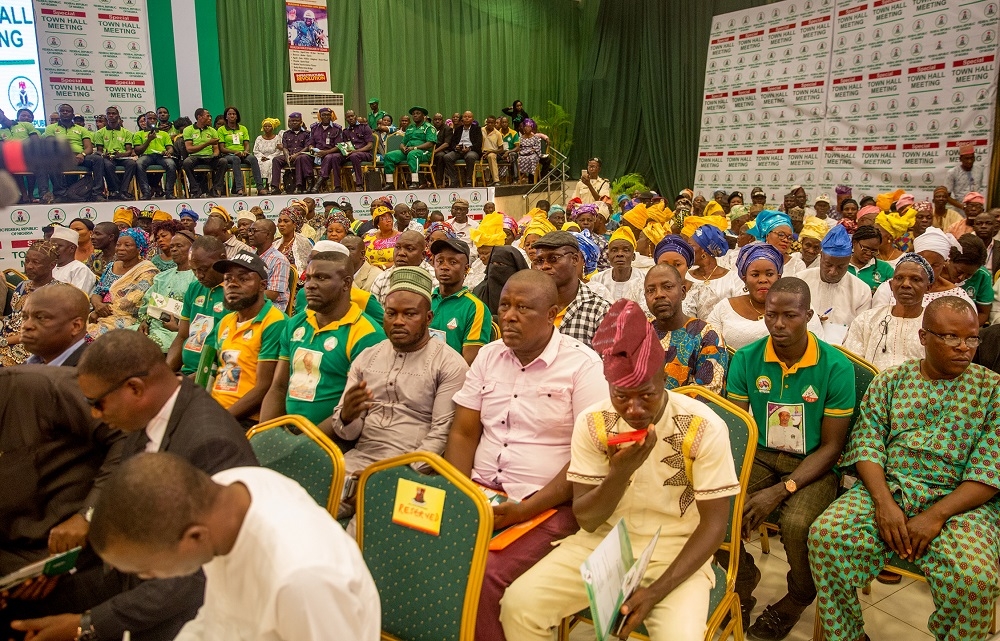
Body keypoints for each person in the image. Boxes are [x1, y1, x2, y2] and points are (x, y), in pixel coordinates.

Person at [501, 299, 739, 641]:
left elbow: (715, 526)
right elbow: (587, 519)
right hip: (603, 545)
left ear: (663, 382)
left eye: (647, 395)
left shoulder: (704, 426)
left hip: (677, 551)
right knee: (519, 606)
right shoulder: (595, 422)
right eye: (621, 396)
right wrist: (619, 473)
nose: (634, 409)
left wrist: (656, 590)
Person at [11, 331, 261, 641]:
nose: (94, 414)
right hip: (131, 572)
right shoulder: (153, 413)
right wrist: (58, 570)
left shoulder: (210, 444)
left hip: (178, 606)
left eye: (97, 403)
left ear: (134, 388)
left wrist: (88, 625)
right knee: (16, 609)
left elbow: (198, 577)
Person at [809, 297, 1000, 641]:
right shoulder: (891, 381)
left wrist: (936, 515)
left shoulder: (993, 391)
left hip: (962, 503)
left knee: (977, 579)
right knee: (826, 536)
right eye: (951, 338)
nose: (964, 348)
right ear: (924, 337)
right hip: (891, 486)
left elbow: (990, 469)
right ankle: (848, 636)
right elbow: (866, 444)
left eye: (972, 339)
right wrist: (884, 504)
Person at [444, 269, 608, 641]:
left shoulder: (582, 367)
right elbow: (464, 431)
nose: (509, 316)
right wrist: (458, 492)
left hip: (546, 503)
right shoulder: (488, 356)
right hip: (478, 491)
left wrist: (524, 510)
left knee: (486, 572)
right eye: (504, 306)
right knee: (420, 546)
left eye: (523, 308)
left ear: (552, 314)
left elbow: (590, 459)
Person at [87, 453, 381, 641]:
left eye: (145, 570)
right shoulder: (222, 496)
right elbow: (219, 619)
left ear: (194, 537)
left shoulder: (302, 578)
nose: (145, 578)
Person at [725, 277, 855, 638]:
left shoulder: (834, 366)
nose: (779, 324)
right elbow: (736, 429)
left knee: (798, 526)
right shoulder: (749, 359)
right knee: (715, 504)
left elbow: (833, 447)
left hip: (814, 461)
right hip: (763, 452)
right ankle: (741, 575)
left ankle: (799, 595)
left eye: (790, 316)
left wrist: (782, 489)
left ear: (809, 315)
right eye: (770, 315)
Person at [331, 267, 469, 520]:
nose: (398, 321)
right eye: (391, 313)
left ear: (428, 318)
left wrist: (386, 478)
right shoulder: (367, 358)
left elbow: (441, 436)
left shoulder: (449, 364)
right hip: (356, 462)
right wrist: (348, 417)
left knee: (366, 520)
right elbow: (345, 433)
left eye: (410, 314)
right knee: (299, 503)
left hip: (412, 473)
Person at [0, 366, 124, 639]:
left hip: (88, 559)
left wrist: (88, 514)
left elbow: (129, 436)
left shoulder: (42, 388)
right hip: (17, 576)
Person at [260, 251, 385, 435]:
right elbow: (278, 388)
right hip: (286, 431)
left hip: (333, 438)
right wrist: (264, 434)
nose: (310, 285)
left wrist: (301, 444)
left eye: (321, 278)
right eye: (309, 278)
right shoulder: (295, 324)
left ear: (346, 283)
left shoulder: (366, 334)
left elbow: (356, 412)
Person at [207, 251, 286, 421]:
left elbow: (264, 387)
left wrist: (221, 419)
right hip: (215, 410)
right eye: (228, 279)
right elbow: (209, 372)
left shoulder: (274, 322)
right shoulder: (225, 321)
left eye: (243, 279)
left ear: (262, 285)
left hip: (246, 418)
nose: (233, 285)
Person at [707, 243, 821, 350]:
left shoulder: (798, 306)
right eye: (755, 275)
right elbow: (708, 349)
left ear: (779, 277)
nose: (762, 280)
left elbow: (816, 347)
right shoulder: (724, 308)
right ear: (744, 279)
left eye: (769, 274)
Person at [644, 263, 728, 393]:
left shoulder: (708, 335)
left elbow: (707, 396)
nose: (659, 294)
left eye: (667, 287)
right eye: (651, 290)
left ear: (683, 293)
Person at [844, 254, 931, 370]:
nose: (906, 284)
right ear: (890, 285)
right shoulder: (866, 320)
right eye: (899, 278)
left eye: (915, 279)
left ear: (928, 288)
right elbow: (853, 365)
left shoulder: (935, 325)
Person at [532, 230, 611, 348]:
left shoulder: (600, 311)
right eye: (539, 261)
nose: (545, 266)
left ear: (575, 259)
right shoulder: (529, 306)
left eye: (553, 258)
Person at [797, 224, 873, 345]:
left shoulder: (861, 291)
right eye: (828, 265)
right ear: (821, 256)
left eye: (840, 267)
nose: (833, 272)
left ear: (849, 261)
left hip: (844, 352)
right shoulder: (800, 280)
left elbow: (859, 332)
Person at [166, 236, 229, 375]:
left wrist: (190, 382)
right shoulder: (195, 288)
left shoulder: (237, 293)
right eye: (194, 270)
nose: (199, 276)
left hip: (216, 375)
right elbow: (182, 336)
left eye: (204, 269)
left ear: (222, 258)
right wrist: (166, 374)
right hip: (187, 372)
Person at [429, 237, 492, 365]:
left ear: (466, 269)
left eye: (453, 262)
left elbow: (469, 363)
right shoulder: (424, 301)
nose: (444, 267)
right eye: (440, 261)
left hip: (453, 379)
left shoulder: (475, 307)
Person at [87, 229, 158, 338]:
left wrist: (100, 311)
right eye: (118, 245)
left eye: (127, 245)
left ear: (139, 248)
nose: (120, 248)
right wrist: (98, 306)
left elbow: (131, 301)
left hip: (126, 317)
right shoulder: (112, 266)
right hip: (100, 311)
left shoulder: (147, 271)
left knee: (93, 337)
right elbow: (98, 291)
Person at [0, 241, 60, 366]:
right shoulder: (22, 285)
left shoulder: (56, 292)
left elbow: (42, 330)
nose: (29, 266)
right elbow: (14, 317)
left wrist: (5, 341)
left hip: (31, 345)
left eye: (35, 263)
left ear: (52, 265)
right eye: (27, 261)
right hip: (6, 336)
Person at [138, 230, 197, 352]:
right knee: (119, 338)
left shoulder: (197, 278)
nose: (174, 250)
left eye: (179, 246)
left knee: (145, 347)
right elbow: (147, 301)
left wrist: (179, 328)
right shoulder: (162, 277)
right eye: (172, 246)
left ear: (192, 249)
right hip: (153, 326)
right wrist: (144, 321)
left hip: (176, 332)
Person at [37, 103, 105, 203]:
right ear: (59, 114)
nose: (65, 112)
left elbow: (89, 148)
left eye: (67, 111)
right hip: (60, 156)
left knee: (98, 159)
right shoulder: (51, 128)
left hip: (79, 156)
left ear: (72, 115)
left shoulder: (81, 129)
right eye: (62, 111)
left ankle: (97, 194)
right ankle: (60, 193)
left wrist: (82, 154)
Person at [19, 282, 90, 366]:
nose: (26, 325)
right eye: (25, 317)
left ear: (76, 326)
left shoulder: (92, 372)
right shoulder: (29, 365)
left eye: (41, 317)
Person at [685, 223, 742, 318]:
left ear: (704, 250)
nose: (687, 250)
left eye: (690, 246)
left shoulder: (733, 279)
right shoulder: (685, 277)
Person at [369, 230, 437, 306]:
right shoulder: (381, 279)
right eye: (398, 247)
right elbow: (374, 315)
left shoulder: (434, 279)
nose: (401, 253)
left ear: (423, 255)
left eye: (409, 249)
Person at [590, 226, 647, 308]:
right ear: (608, 256)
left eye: (626, 250)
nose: (619, 254)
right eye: (614, 250)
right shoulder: (597, 280)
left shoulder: (643, 280)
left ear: (633, 256)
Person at [383, 106, 437, 189]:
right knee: (388, 156)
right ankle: (390, 183)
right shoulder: (410, 128)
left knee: (412, 154)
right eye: (413, 114)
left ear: (423, 116)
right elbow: (402, 143)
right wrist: (403, 148)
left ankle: (415, 182)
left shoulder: (429, 127)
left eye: (418, 113)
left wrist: (414, 148)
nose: (415, 115)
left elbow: (430, 143)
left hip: (423, 152)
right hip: (407, 151)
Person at [247, 218, 291, 313]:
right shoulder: (251, 256)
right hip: (251, 305)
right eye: (249, 231)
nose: (250, 234)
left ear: (267, 234)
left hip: (271, 310)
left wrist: (245, 295)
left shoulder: (279, 260)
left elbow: (272, 294)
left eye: (254, 231)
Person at [92, 105, 136, 200]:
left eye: (114, 113)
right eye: (109, 114)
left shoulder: (127, 132)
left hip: (122, 157)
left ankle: (123, 190)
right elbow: (99, 151)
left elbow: (129, 151)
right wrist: (104, 154)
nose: (111, 115)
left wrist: (120, 155)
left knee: (132, 164)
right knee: (107, 165)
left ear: (118, 116)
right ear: (106, 116)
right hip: (108, 157)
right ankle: (115, 190)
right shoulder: (99, 133)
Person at [216, 106, 261, 197]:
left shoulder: (243, 128)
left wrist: (245, 151)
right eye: (229, 114)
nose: (232, 116)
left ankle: (260, 187)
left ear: (237, 116)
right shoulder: (221, 130)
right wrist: (234, 151)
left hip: (242, 153)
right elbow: (222, 148)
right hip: (228, 154)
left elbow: (247, 144)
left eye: (234, 114)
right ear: (226, 117)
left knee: (252, 158)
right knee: (236, 159)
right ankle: (239, 189)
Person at [180, 108, 224, 198]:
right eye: (207, 116)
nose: (210, 118)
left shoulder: (212, 130)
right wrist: (207, 143)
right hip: (195, 156)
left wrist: (214, 155)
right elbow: (189, 149)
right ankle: (196, 190)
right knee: (186, 163)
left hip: (209, 156)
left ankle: (215, 189)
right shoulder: (188, 130)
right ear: (199, 117)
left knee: (223, 161)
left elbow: (216, 149)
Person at [329, 110, 374, 192]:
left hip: (365, 153)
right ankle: (338, 186)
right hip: (350, 153)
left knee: (354, 156)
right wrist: (344, 150)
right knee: (335, 157)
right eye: (348, 117)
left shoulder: (364, 127)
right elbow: (346, 145)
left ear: (355, 116)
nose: (350, 118)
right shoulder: (345, 131)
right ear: (346, 119)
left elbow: (370, 145)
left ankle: (359, 184)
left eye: (352, 116)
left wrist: (357, 151)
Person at [271, 112, 312, 194]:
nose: (294, 122)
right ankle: (275, 187)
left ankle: (298, 186)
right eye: (292, 121)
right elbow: (285, 147)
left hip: (301, 155)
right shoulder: (286, 134)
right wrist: (287, 155)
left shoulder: (307, 133)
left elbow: (307, 147)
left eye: (296, 121)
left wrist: (296, 155)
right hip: (289, 155)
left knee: (300, 158)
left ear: (301, 122)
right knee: (276, 160)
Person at [847, 224, 895, 293]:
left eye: (874, 251)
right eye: (865, 249)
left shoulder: (885, 269)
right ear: (854, 242)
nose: (869, 253)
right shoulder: (841, 264)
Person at [50, 225, 97, 294]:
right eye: (52, 245)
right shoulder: (51, 268)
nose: (54, 248)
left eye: (59, 246)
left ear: (71, 248)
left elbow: (78, 297)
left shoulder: (80, 269)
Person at [441, 111, 482, 187]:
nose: (467, 118)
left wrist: (469, 148)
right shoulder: (458, 129)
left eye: (469, 117)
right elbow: (452, 142)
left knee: (470, 157)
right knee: (447, 157)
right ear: (462, 119)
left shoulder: (477, 129)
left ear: (472, 119)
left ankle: (469, 180)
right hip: (459, 151)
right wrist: (455, 147)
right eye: (465, 117)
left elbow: (478, 144)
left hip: (471, 150)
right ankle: (454, 180)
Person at [274, 207, 313, 272]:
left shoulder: (303, 242)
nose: (281, 224)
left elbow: (305, 267)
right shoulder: (275, 243)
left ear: (294, 224)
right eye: (279, 221)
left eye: (286, 221)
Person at [363, 205, 401, 270]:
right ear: (377, 223)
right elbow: (362, 258)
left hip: (393, 271)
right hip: (370, 272)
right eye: (384, 218)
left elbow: (403, 260)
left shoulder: (401, 237)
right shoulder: (369, 238)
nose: (389, 220)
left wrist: (384, 266)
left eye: (390, 217)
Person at [252, 117, 281, 194]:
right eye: (265, 126)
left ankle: (269, 185)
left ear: (273, 127)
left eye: (269, 126)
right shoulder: (259, 138)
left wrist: (268, 158)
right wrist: (262, 157)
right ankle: (260, 185)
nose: (267, 128)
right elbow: (255, 150)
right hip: (260, 157)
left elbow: (278, 151)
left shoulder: (277, 138)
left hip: (272, 157)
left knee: (270, 163)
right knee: (258, 163)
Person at [973, 210, 1000, 276]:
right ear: (974, 228)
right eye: (979, 223)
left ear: (995, 227)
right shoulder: (965, 247)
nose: (983, 226)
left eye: (988, 223)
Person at [480, 115, 504, 186]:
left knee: (491, 156)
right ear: (486, 122)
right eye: (488, 122)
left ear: (494, 124)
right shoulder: (481, 130)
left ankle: (496, 181)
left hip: (492, 152)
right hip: (481, 152)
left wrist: (491, 151)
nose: (490, 124)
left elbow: (501, 149)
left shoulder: (498, 134)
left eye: (492, 123)